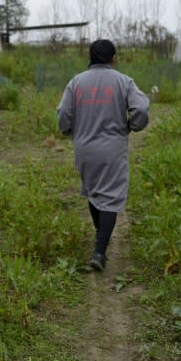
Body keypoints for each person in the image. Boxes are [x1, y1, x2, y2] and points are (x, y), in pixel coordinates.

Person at [57, 39, 150, 271]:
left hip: (84, 149)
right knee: (110, 196)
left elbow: (63, 113)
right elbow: (141, 108)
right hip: (112, 149)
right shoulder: (123, 81)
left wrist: (69, 130)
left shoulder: (76, 82)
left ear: (90, 57)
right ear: (113, 58)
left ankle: (100, 240)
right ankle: (99, 252)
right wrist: (133, 126)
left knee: (93, 191)